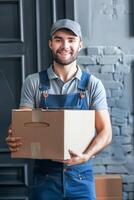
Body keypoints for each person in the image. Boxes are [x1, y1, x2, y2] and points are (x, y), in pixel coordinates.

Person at [6, 19, 112, 200]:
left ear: (80, 44)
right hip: (45, 178)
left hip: (81, 177)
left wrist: (85, 156)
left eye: (71, 40)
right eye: (58, 39)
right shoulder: (34, 82)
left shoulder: (93, 85)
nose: (65, 45)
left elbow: (106, 132)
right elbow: (22, 123)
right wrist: (14, 135)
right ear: (50, 44)